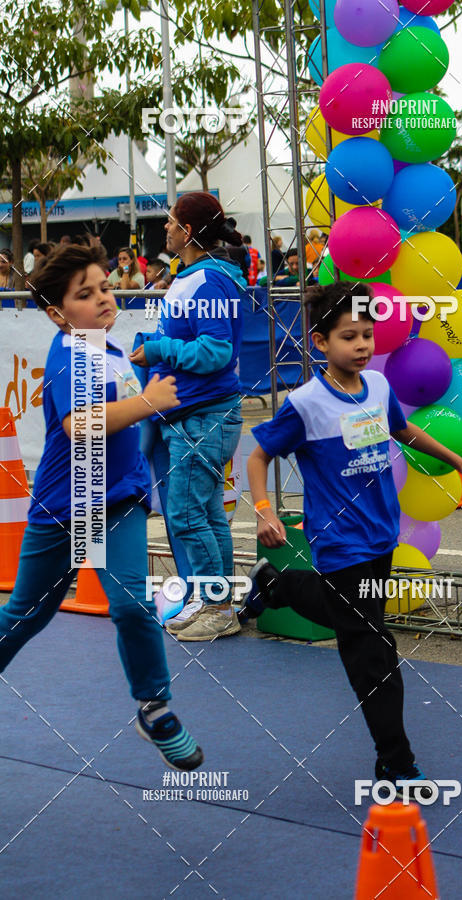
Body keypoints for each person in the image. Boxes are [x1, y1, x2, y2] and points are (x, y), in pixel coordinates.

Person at [243, 281, 462, 795]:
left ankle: (277, 586)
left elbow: (405, 432)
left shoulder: (378, 390)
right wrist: (263, 512)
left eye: (367, 336)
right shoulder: (306, 404)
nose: (362, 345)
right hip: (339, 544)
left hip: (381, 539)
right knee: (373, 650)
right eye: (349, 336)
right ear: (320, 342)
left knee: (350, 621)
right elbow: (258, 455)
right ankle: (395, 762)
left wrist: (460, 462)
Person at [1, 244, 203, 770]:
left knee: (133, 605)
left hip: (117, 501)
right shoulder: (71, 351)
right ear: (56, 313)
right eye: (84, 295)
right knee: (26, 615)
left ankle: (154, 708)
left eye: (105, 287)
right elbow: (79, 423)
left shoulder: (109, 350)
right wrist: (148, 402)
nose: (103, 299)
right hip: (65, 506)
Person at [129, 192, 245, 641]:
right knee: (205, 512)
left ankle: (216, 606)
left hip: (203, 414)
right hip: (197, 412)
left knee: (186, 513)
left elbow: (216, 351)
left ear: (189, 232)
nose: (166, 228)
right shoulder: (199, 276)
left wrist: (159, 349)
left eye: (172, 221)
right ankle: (215, 602)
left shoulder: (208, 280)